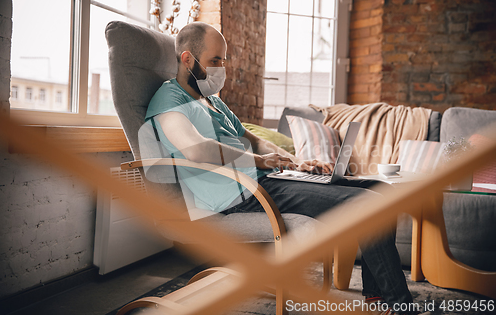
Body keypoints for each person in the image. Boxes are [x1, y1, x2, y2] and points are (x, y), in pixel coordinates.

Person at [145, 22, 430, 315]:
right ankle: (400, 307)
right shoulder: (170, 99)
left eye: (223, 60)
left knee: (380, 189)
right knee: (368, 204)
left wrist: (296, 163)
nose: (221, 68)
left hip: (267, 183)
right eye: (214, 61)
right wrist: (259, 162)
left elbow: (253, 140)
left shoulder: (213, 102)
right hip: (241, 197)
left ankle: (377, 297)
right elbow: (196, 149)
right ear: (187, 59)